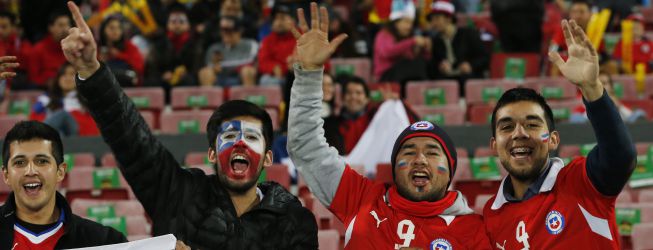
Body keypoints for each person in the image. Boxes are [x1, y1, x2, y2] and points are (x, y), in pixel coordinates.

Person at [61, 2, 318, 249]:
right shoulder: (177, 194)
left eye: (251, 137)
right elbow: (131, 140)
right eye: (229, 136)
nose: (240, 142)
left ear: (268, 157)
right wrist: (92, 71)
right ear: (211, 154)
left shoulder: (294, 220)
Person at [287, 3, 491, 249]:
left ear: (451, 169)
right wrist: (309, 74)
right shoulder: (361, 199)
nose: (420, 159)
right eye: (408, 151)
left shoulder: (476, 230)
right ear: (394, 167)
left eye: (432, 152)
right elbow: (306, 146)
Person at [483, 20, 637, 248]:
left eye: (532, 124)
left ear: (553, 139)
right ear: (494, 146)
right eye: (507, 126)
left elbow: (621, 157)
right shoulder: (489, 216)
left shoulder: (582, 182)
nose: (519, 133)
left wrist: (592, 88)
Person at [1, 121, 126, 249]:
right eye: (20, 162)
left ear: (60, 172)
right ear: (6, 175)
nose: (31, 171)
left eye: (42, 161)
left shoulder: (106, 242)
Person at [428, 0, 488, 96]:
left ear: (449, 19)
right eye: (432, 20)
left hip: (468, 79)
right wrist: (441, 66)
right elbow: (434, 65)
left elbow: (485, 58)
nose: (434, 23)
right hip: (448, 81)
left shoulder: (468, 34)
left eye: (437, 18)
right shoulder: (436, 41)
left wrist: (471, 65)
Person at [29, 63, 99, 136]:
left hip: (77, 139)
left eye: (72, 74)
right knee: (60, 132)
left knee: (62, 115)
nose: (67, 78)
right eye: (63, 74)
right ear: (58, 78)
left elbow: (92, 129)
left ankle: (38, 138)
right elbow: (33, 120)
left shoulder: (86, 100)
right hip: (56, 138)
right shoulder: (46, 99)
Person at [373, 0, 430, 85]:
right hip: (386, 76)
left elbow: (413, 58)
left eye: (411, 23)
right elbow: (387, 52)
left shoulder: (407, 37)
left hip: (404, 78)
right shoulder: (384, 34)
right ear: (396, 22)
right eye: (406, 22)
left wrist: (425, 49)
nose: (409, 26)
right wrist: (412, 41)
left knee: (420, 63)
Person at [203, 16, 258, 87]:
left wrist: (224, 65)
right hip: (220, 77)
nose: (225, 33)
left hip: (240, 76)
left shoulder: (250, 44)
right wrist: (214, 67)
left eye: (229, 30)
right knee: (205, 72)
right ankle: (212, 97)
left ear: (239, 31)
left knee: (247, 71)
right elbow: (210, 65)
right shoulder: (214, 48)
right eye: (222, 30)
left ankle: (246, 97)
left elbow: (252, 62)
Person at [27, 11, 71, 87]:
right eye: (61, 25)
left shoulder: (75, 48)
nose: (65, 29)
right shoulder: (38, 50)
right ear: (50, 27)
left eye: (67, 24)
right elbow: (33, 79)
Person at [98, 16, 144, 86]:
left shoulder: (129, 46)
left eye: (118, 28)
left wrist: (119, 55)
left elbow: (139, 67)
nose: (116, 31)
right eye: (111, 28)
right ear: (103, 30)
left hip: (126, 83)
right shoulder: (97, 47)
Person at [257, 4, 297, 86]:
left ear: (293, 20)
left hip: (302, 75)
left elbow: (323, 63)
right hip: (280, 78)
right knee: (265, 80)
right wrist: (273, 67)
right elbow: (262, 62)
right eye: (275, 18)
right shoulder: (268, 40)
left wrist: (301, 65)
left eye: (282, 18)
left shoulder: (303, 35)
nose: (278, 22)